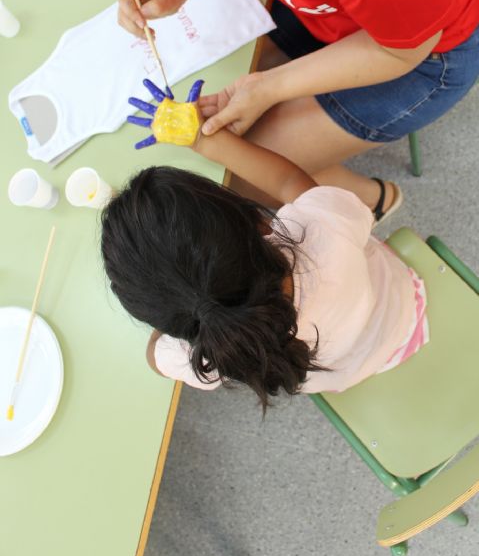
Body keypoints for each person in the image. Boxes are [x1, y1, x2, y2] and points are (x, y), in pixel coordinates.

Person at [101, 119, 429, 412]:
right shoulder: (320, 226)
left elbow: (154, 357)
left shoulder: (207, 350)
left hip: (346, 372)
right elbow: (288, 180)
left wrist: (179, 303)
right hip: (405, 307)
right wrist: (205, 141)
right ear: (259, 221)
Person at [118, 0, 479, 215]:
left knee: (234, 183)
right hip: (332, 10)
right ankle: (319, 164)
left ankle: (369, 199)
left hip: (422, 56)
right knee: (235, 139)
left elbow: (399, 52)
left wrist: (268, 88)